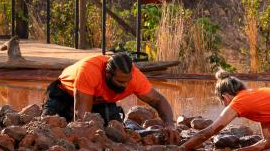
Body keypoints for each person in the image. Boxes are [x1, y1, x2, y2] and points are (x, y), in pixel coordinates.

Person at [43, 52, 180, 143]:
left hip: (102, 100)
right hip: (65, 94)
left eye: (128, 81)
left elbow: (158, 100)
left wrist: (170, 124)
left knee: (115, 131)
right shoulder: (89, 71)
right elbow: (81, 118)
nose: (125, 85)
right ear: (108, 74)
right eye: (120, 82)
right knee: (47, 128)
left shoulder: (134, 77)